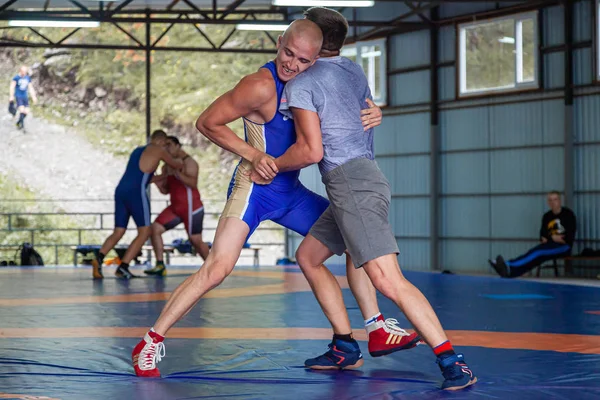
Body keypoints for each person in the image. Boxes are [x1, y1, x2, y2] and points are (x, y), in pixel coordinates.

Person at [131, 19, 420, 379]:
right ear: (279, 42)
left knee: (353, 238)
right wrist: (252, 155)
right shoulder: (260, 85)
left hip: (290, 191)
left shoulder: (312, 82)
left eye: (302, 60)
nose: (291, 64)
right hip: (254, 188)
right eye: (287, 53)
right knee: (217, 268)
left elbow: (349, 111)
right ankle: (150, 341)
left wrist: (375, 111)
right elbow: (207, 122)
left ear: (316, 59)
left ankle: (360, 335)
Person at [257, 7, 476, 391]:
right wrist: (378, 112)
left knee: (388, 279)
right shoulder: (353, 70)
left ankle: (452, 361)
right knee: (308, 256)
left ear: (315, 44)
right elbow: (364, 112)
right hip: (360, 179)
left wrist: (270, 164)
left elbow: (310, 151)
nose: (294, 59)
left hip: (351, 185)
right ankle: (345, 345)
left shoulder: (301, 86)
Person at [91, 130, 183, 279]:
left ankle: (99, 258)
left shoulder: (138, 151)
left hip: (121, 190)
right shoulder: (158, 150)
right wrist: (181, 155)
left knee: (119, 231)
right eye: (166, 144)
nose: (166, 147)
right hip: (136, 193)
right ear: (161, 141)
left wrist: (163, 175)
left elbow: (144, 177)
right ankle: (124, 267)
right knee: (145, 231)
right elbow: (176, 164)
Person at [145, 136, 210, 276]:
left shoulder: (190, 162)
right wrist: (156, 180)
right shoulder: (166, 166)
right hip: (175, 208)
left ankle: (213, 267)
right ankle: (160, 265)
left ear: (177, 145)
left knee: (195, 240)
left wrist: (177, 172)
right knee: (155, 229)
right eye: (165, 146)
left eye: (169, 145)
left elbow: (193, 184)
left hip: (192, 207)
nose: (166, 149)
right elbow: (166, 191)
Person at [490, 191, 576, 278]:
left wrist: (550, 238)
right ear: (548, 202)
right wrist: (553, 238)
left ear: (560, 201)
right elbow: (542, 236)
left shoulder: (568, 214)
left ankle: (508, 264)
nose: (553, 202)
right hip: (549, 245)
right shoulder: (547, 216)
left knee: (538, 252)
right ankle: (511, 272)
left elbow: (568, 238)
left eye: (555, 199)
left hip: (564, 247)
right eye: (550, 200)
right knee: (535, 255)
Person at [9, 66, 38, 130]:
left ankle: (18, 122)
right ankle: (22, 126)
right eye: (23, 71)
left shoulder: (27, 78)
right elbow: (12, 87)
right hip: (18, 96)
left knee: (26, 112)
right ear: (20, 71)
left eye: (25, 71)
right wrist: (11, 96)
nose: (24, 73)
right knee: (21, 110)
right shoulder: (16, 78)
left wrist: (34, 97)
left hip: (25, 96)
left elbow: (30, 88)